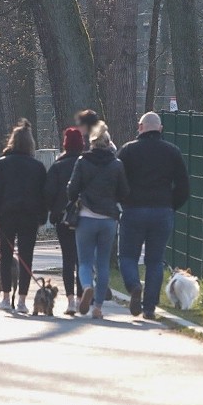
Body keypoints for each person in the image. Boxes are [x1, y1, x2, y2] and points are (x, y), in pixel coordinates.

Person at [117, 112, 189, 319]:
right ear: (160, 128)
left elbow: (117, 178)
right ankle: (149, 307)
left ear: (140, 127)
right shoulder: (172, 152)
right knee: (155, 261)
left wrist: (125, 201)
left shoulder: (128, 151)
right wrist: (170, 205)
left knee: (128, 256)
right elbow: (183, 186)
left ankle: (133, 287)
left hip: (133, 210)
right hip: (162, 210)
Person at [67, 122, 129, 318]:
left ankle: (86, 287)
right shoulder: (116, 165)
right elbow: (124, 192)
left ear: (91, 142)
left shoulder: (82, 161)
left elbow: (71, 190)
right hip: (108, 220)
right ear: (108, 142)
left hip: (85, 217)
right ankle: (98, 308)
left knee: (85, 262)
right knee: (103, 264)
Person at [0, 119, 47, 313]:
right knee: (26, 258)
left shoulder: (3, 164)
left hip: (7, 215)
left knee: (5, 255)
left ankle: (5, 297)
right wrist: (42, 217)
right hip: (29, 217)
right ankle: (21, 301)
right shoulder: (37, 167)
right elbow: (42, 195)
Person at [44, 127, 85, 315]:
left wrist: (52, 212)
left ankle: (70, 301)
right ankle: (80, 297)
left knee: (67, 259)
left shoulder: (58, 166)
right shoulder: (86, 163)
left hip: (63, 218)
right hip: (85, 217)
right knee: (82, 260)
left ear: (65, 143)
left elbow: (49, 193)